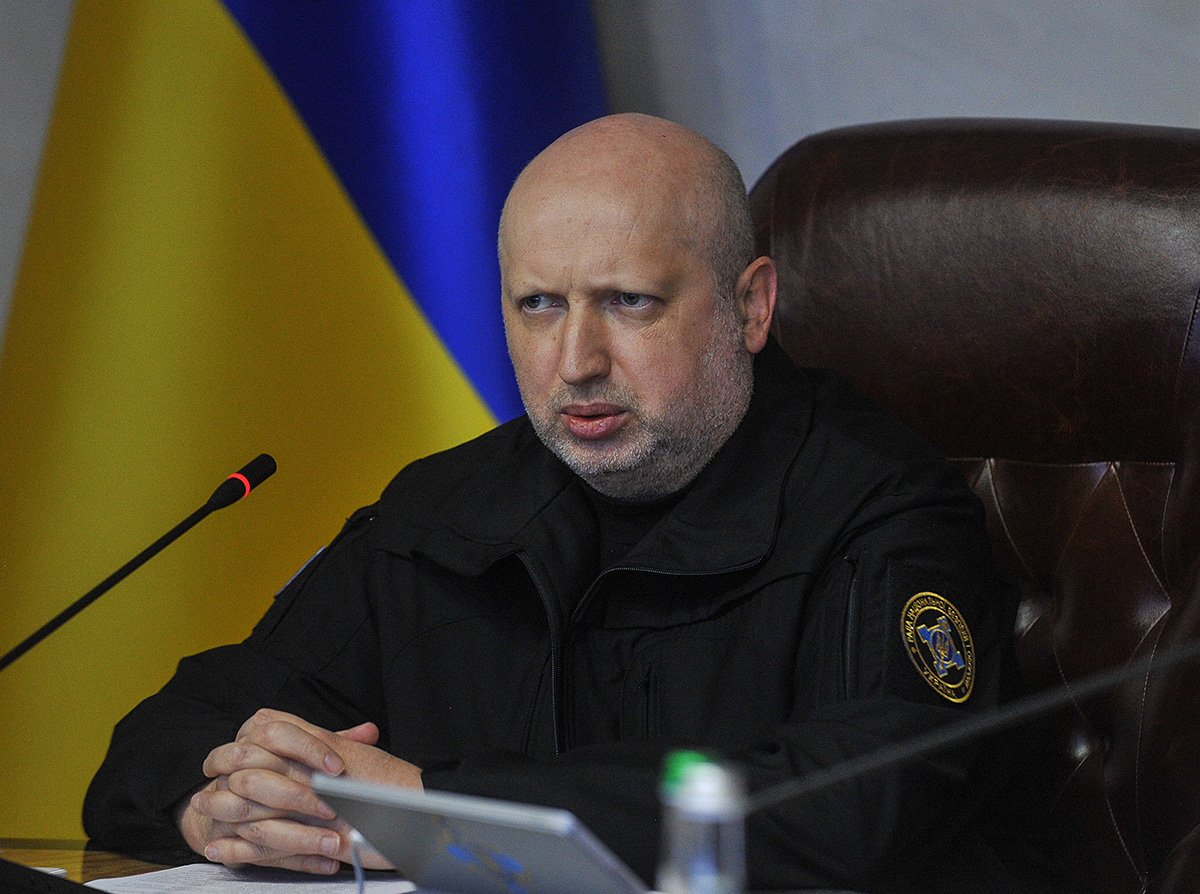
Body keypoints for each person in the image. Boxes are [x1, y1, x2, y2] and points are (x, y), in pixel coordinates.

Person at [84, 113, 1019, 892]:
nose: (575, 363)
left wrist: (433, 811)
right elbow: (174, 730)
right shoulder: (442, 508)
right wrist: (215, 802)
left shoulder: (881, 508)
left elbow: (857, 806)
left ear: (751, 306)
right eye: (538, 305)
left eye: (629, 302)